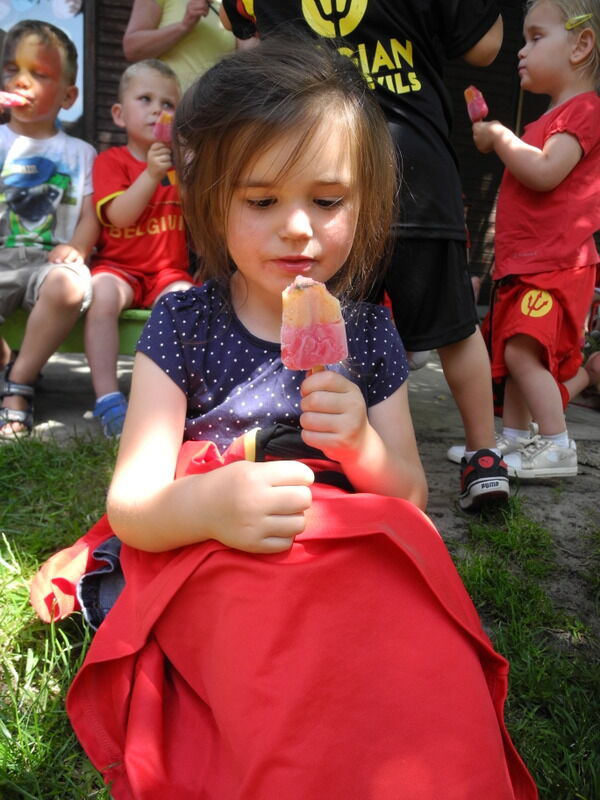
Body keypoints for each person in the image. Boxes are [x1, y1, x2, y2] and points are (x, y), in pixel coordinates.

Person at [30, 38, 537, 799]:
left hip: (351, 543)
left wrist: (360, 444)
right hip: (220, 543)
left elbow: (407, 495)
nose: (298, 228)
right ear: (212, 204)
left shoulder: (368, 332)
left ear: (365, 203)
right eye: (262, 201)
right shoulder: (184, 324)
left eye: (327, 201)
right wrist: (210, 504)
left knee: (420, 655)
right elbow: (132, 507)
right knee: (276, 686)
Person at [220, 0, 509, 512]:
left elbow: (241, 32)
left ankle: (314, 440)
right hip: (409, 165)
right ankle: (482, 455)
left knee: (341, 322)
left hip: (310, 170)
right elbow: (486, 45)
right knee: (454, 328)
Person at [450, 0, 600, 479]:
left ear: (581, 45)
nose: (520, 50)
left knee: (521, 350)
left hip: (554, 262)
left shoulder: (584, 110)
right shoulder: (549, 118)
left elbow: (545, 171)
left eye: (536, 38)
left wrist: (499, 137)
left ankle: (556, 445)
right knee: (516, 352)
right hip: (528, 262)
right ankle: (514, 440)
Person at [85, 59, 194, 438]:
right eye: (145, 99)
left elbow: (201, 219)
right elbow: (119, 217)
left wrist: (191, 172)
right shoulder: (110, 161)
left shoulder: (182, 170)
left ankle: (167, 398)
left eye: (168, 104)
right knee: (101, 295)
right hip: (119, 268)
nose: (157, 110)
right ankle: (108, 398)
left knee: (184, 301)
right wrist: (150, 174)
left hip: (168, 272)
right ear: (119, 114)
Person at [0, 19, 97, 437]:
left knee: (69, 285)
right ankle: (9, 365)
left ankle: (18, 384)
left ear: (68, 96)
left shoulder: (80, 152)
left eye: (39, 74)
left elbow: (91, 214)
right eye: (12, 70)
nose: (21, 81)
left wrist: (79, 246)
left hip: (50, 261)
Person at [122, 0, 238, 90]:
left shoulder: (236, 4)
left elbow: (245, 56)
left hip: (211, 108)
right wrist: (184, 26)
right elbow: (132, 49)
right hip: (165, 106)